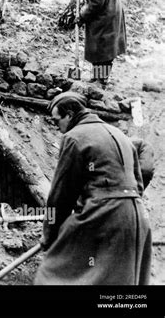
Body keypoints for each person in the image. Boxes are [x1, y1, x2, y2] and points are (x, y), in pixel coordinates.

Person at [35, 92, 152, 285]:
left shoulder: (73, 137)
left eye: (57, 122)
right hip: (138, 218)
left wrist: (50, 236)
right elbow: (138, 182)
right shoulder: (119, 134)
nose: (58, 129)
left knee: (50, 273)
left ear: (70, 115)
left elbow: (61, 195)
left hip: (105, 215)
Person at [74, 0, 127, 85]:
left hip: (106, 13)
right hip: (100, 11)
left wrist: (81, 15)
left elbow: (96, 3)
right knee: (96, 47)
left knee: (104, 50)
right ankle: (97, 77)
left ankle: (101, 81)